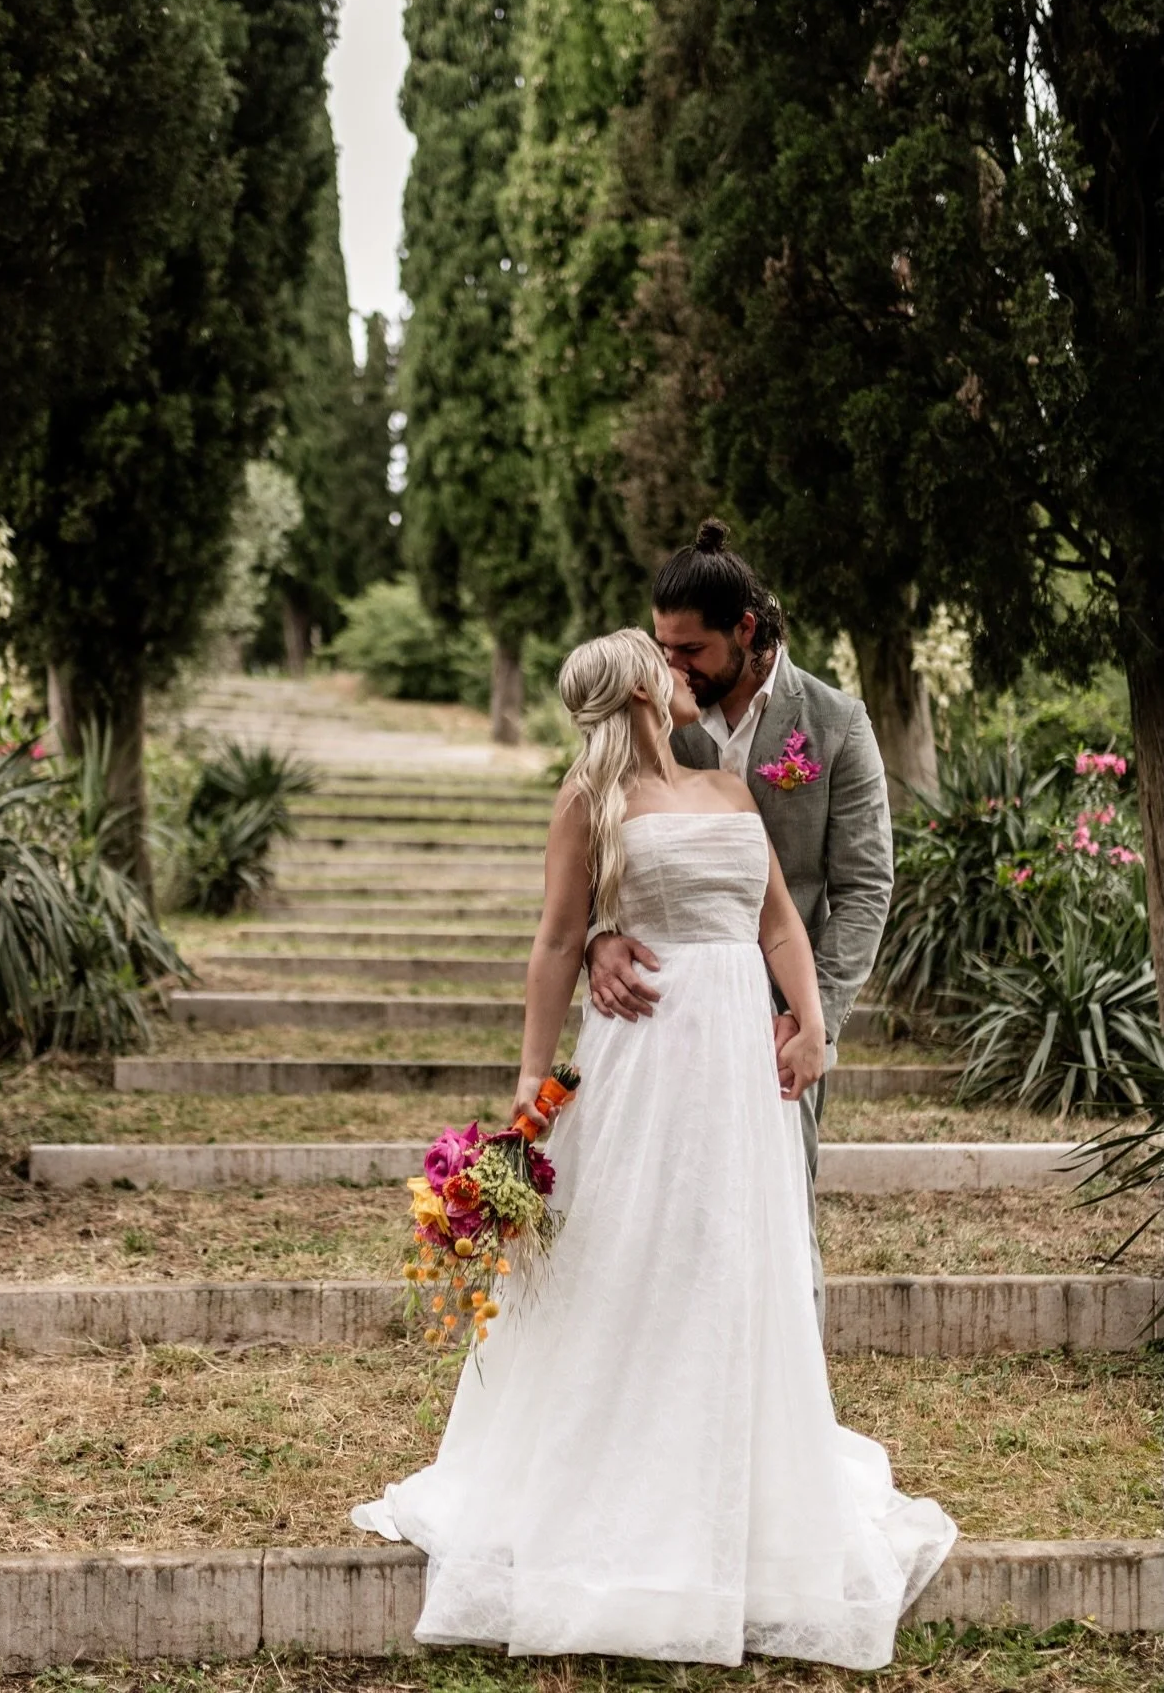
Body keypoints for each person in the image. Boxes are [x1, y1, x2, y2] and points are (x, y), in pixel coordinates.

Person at [352, 628, 955, 1667]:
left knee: (732, 1258)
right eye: (665, 664)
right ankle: (619, 1481)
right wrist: (530, 1082)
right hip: (644, 1058)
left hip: (739, 1063)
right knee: (631, 1256)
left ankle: (736, 1480)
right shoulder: (589, 803)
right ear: (637, 688)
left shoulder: (726, 790)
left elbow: (776, 923)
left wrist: (811, 1023)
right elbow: (554, 937)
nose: (685, 674)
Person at [587, 520, 893, 1319]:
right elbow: (591, 840)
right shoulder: (650, 710)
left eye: (688, 650)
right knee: (659, 1205)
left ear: (745, 630)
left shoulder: (833, 724)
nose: (669, 665)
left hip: (779, 1014)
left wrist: (809, 1017)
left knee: (778, 1206)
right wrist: (596, 940)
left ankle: (785, 1403)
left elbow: (863, 889)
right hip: (668, 1008)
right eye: (661, 646)